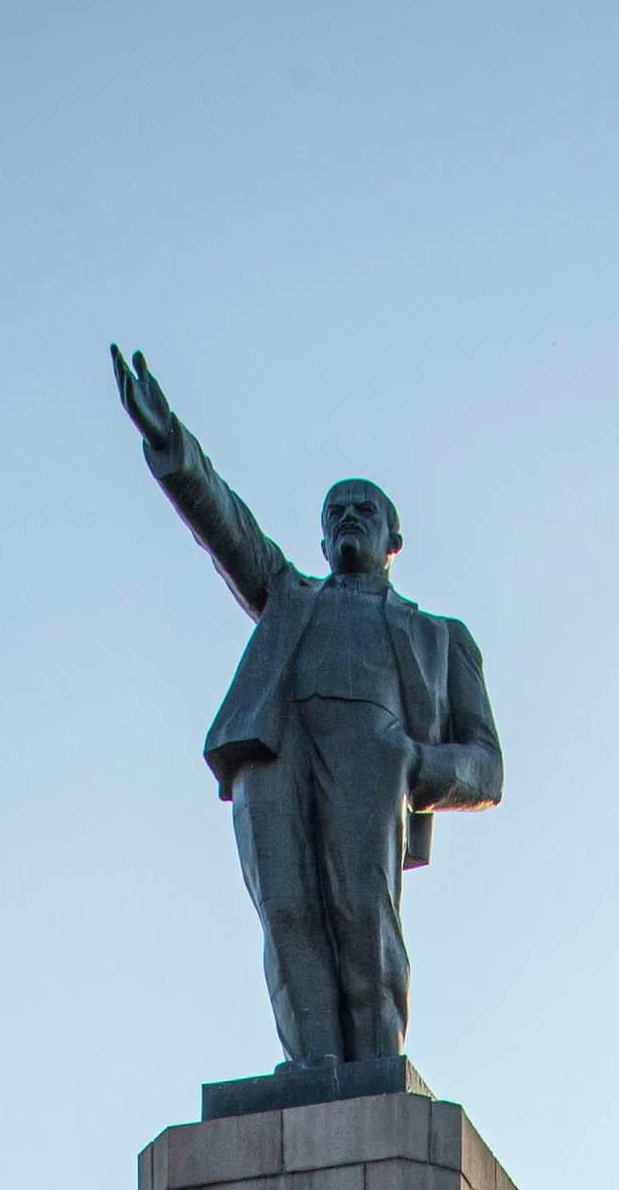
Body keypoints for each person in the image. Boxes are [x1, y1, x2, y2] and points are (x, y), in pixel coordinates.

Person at [110, 345, 502, 1074]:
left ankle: (375, 1068)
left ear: (394, 542)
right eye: (337, 513)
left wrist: (414, 762)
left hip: (375, 754)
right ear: (322, 539)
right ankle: (312, 1063)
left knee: (362, 916)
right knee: (288, 914)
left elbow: (487, 767)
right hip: (277, 753)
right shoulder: (288, 596)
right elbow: (227, 527)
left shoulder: (440, 639)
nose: (350, 518)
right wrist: (171, 446)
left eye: (366, 510)